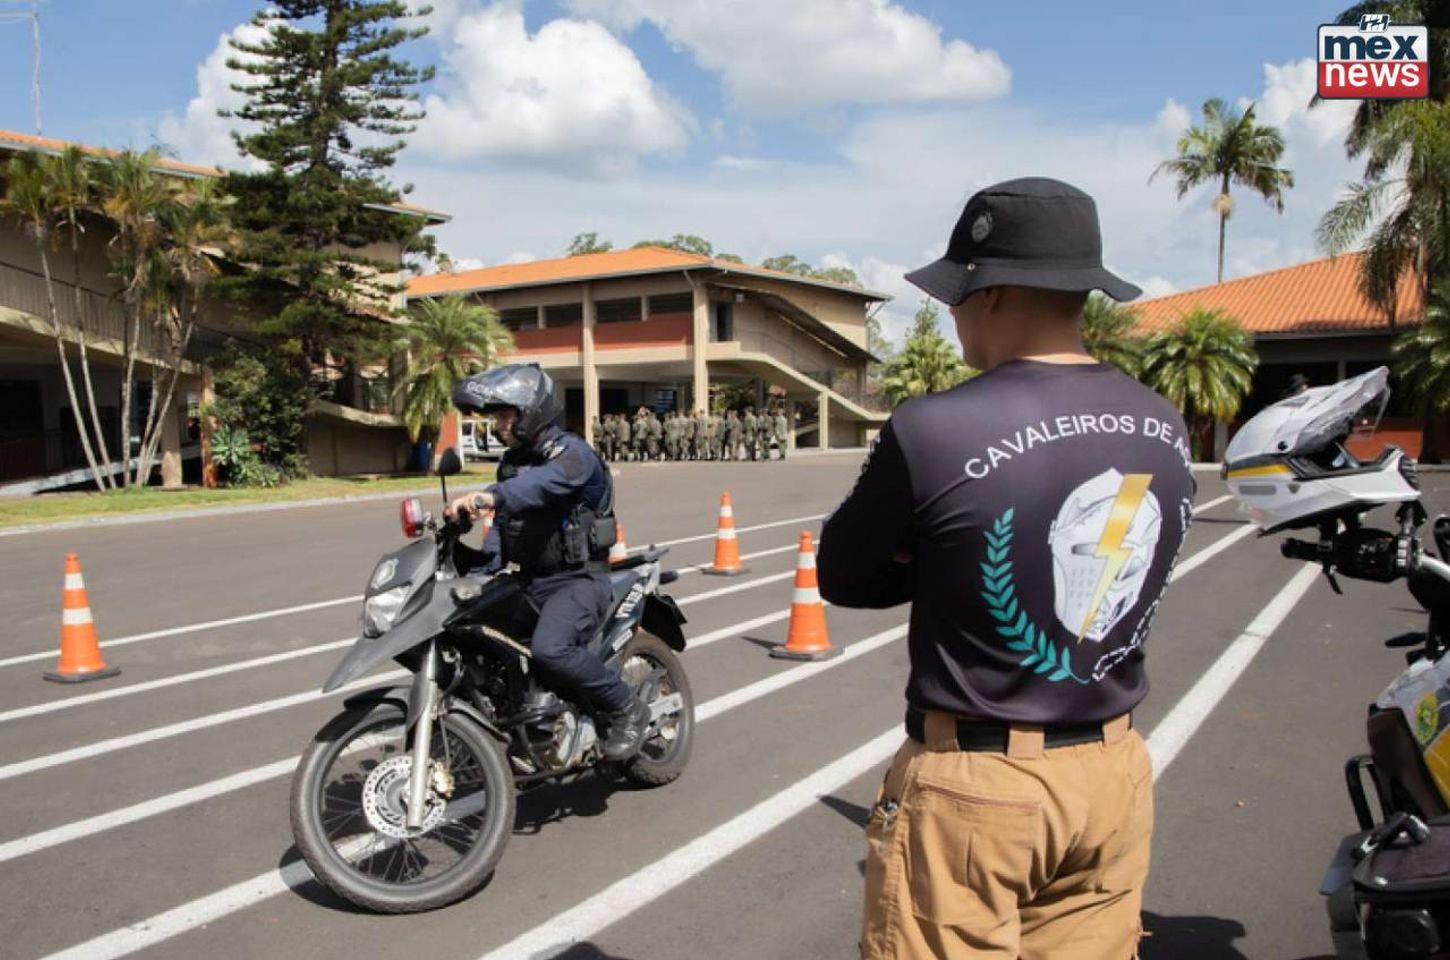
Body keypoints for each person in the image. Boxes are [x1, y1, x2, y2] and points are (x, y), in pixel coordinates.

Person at [819, 178, 1195, 960]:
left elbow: (844, 576)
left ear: (987, 293)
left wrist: (936, 558)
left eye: (957, 295)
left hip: (977, 788)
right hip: (1113, 773)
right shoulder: (1162, 422)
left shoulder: (934, 427)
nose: (953, 312)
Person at [445, 364, 652, 761]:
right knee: (469, 629)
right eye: (496, 417)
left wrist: (491, 495)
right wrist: (475, 567)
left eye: (506, 415)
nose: (499, 425)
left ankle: (626, 707)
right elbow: (502, 530)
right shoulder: (512, 465)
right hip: (530, 582)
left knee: (551, 649)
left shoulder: (573, 454)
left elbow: (540, 486)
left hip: (578, 581)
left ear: (531, 411)